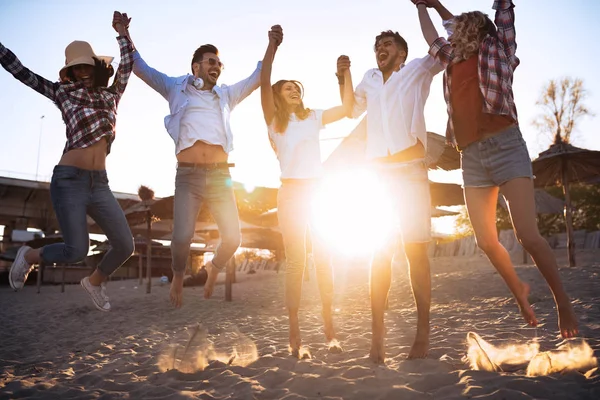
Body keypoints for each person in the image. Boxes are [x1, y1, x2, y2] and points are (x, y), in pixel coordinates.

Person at [411, 0, 578, 338]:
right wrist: (423, 6)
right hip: (470, 156)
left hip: (506, 146)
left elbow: (503, 12)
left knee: (527, 236)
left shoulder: (498, 47)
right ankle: (521, 292)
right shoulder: (451, 59)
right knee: (486, 241)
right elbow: (434, 38)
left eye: (459, 29)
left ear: (476, 29)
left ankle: (563, 303)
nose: (452, 34)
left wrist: (452, 11)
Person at [131, 25, 283, 307]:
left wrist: (272, 45)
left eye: (219, 63)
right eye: (211, 61)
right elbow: (140, 68)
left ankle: (213, 267)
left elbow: (258, 77)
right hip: (188, 178)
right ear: (196, 66)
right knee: (181, 238)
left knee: (233, 238)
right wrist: (123, 34)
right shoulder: (174, 87)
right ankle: (178, 275)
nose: (217, 66)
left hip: (219, 177)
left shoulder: (226, 96)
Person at [4, 12, 136, 312]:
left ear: (95, 66)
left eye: (87, 66)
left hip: (99, 184)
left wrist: (122, 32)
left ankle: (95, 282)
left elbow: (127, 65)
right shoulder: (62, 92)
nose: (83, 72)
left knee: (125, 245)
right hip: (69, 180)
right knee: (77, 249)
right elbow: (22, 72)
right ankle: (29, 255)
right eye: (76, 68)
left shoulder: (111, 94)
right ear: (70, 72)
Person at [337, 28, 443, 361]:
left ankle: (423, 333)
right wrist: (343, 74)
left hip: (411, 172)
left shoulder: (417, 70)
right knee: (380, 256)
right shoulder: (369, 78)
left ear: (401, 52)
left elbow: (445, 48)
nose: (381, 48)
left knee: (415, 254)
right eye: (377, 45)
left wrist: (429, 8)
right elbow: (351, 109)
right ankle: (377, 340)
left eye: (388, 44)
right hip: (378, 177)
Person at [260, 26, 353, 357]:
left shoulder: (313, 117)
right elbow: (264, 78)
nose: (293, 90)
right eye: (286, 89)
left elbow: (346, 109)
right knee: (297, 261)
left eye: (295, 87)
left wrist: (343, 75)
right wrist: (272, 46)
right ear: (277, 96)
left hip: (319, 193)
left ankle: (329, 328)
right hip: (290, 195)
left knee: (325, 257)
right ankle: (294, 332)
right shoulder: (274, 121)